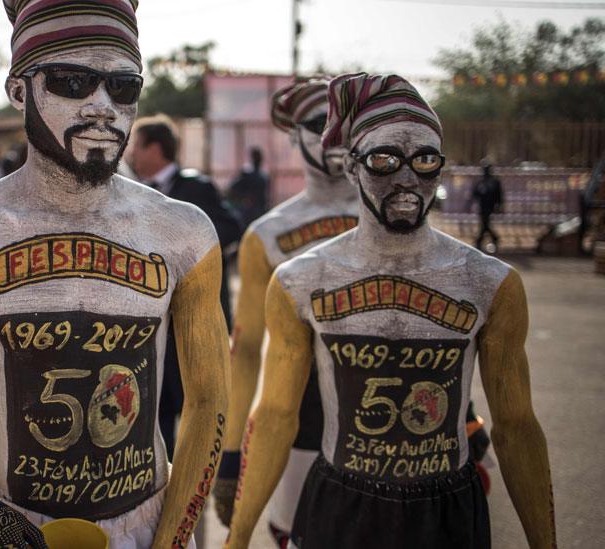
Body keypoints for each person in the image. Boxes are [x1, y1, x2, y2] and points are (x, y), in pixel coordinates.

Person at [0, 1, 229, 547]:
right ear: (19, 90)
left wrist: (173, 536)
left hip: (147, 518)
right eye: (72, 82)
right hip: (15, 522)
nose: (102, 108)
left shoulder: (183, 232)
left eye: (123, 87)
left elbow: (209, 398)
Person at [226, 73, 556, 549]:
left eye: (425, 160)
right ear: (353, 166)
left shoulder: (489, 282)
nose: (406, 179)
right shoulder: (301, 279)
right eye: (384, 161)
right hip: (340, 503)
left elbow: (518, 425)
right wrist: (237, 534)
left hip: (447, 507)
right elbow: (277, 412)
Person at [212, 79, 359, 547]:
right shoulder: (268, 236)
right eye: (320, 125)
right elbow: (247, 350)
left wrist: (468, 419)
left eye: (347, 123)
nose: (335, 136)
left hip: (397, 428)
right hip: (302, 422)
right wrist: (232, 454)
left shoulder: (398, 216)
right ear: (294, 137)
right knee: (298, 536)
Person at [126, 113, 242, 459]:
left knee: (198, 400)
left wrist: (182, 249)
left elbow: (231, 229)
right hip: (154, 321)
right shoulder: (134, 194)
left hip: (192, 320)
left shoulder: (197, 187)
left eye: (137, 146)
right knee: (154, 403)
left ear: (156, 149)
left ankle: (194, 477)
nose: (131, 154)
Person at [227, 147, 270, 227]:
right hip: (249, 211)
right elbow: (233, 188)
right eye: (257, 157)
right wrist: (244, 198)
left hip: (259, 211)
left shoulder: (263, 175)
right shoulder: (248, 174)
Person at [473, 163, 503, 252]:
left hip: (490, 206)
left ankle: (479, 241)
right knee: (485, 225)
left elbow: (499, 195)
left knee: (485, 224)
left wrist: (499, 206)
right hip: (482, 206)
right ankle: (494, 238)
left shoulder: (495, 182)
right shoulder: (480, 181)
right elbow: (475, 193)